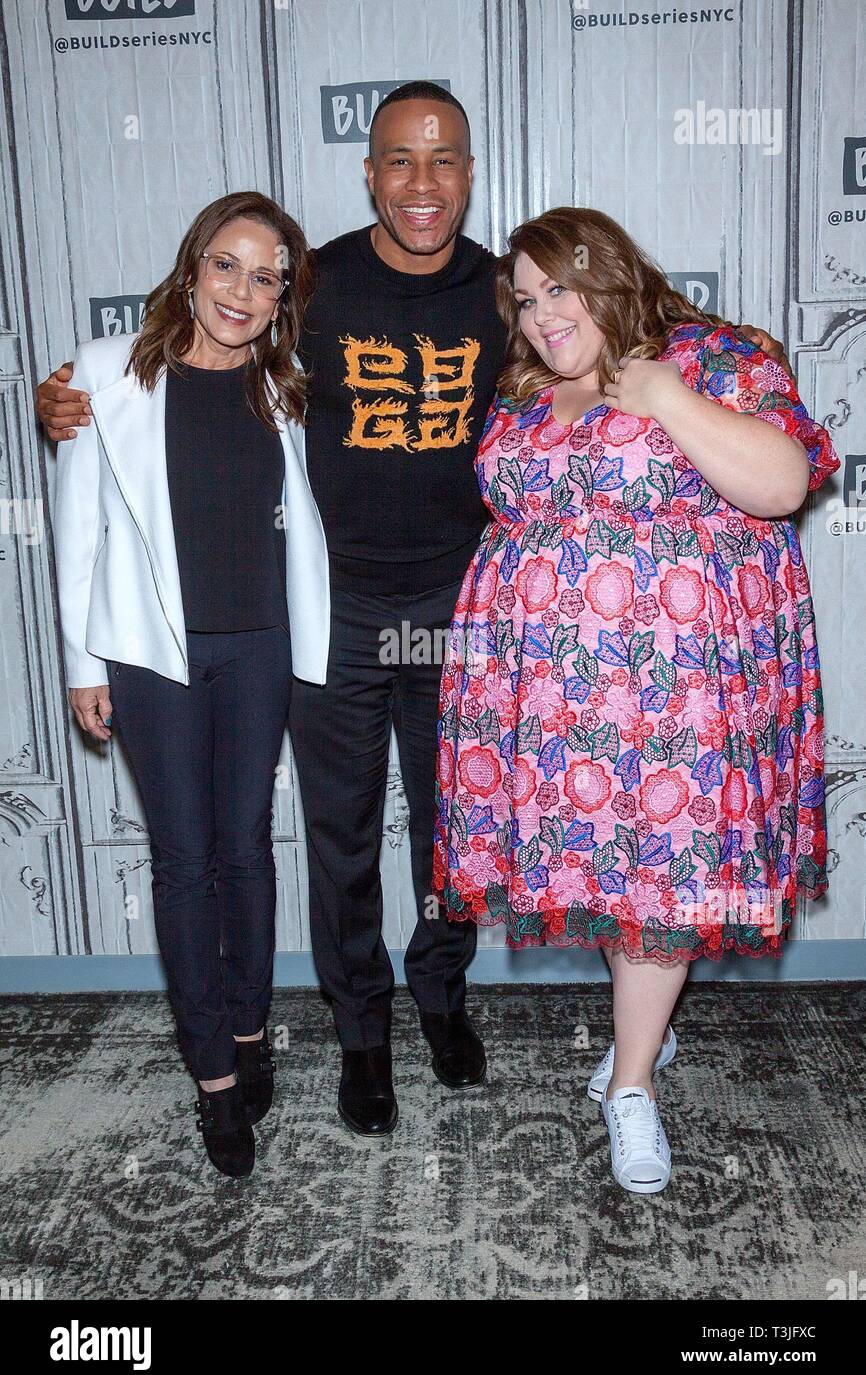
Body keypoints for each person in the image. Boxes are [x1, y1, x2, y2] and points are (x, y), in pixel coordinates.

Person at [36, 83, 792, 1139]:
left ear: (470, 171)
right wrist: (76, 394)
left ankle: (441, 1001)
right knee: (339, 841)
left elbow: (614, 350)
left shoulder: (507, 294)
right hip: (331, 608)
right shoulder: (316, 285)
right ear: (369, 170)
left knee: (454, 836)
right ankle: (361, 1034)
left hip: (462, 608)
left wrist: (707, 362)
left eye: (443, 161)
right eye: (399, 159)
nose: (421, 183)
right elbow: (195, 365)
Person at [433, 206, 839, 1193]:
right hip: (556, 698)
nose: (539, 313)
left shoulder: (710, 358)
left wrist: (661, 395)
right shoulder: (526, 391)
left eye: (555, 287)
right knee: (618, 884)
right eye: (523, 299)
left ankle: (628, 1089)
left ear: (606, 270)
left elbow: (781, 482)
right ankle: (637, 1048)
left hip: (672, 689)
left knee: (663, 874)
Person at [50, 192, 329, 1178]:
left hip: (258, 648)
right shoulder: (104, 373)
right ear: (190, 267)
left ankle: (250, 1028)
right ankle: (213, 1074)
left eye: (266, 276)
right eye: (226, 265)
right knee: (183, 859)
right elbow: (78, 527)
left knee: (247, 846)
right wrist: (83, 664)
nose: (242, 290)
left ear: (281, 296)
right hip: (146, 655)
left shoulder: (286, 384)